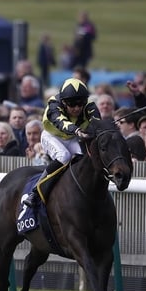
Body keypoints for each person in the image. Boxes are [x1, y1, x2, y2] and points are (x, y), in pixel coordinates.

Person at [23, 77, 101, 207]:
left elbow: (97, 123)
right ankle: (36, 192)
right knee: (64, 156)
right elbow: (61, 122)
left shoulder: (90, 106)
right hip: (52, 136)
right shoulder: (53, 104)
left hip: (71, 138)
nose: (77, 108)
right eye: (72, 104)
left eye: (80, 103)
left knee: (85, 158)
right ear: (64, 102)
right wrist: (77, 131)